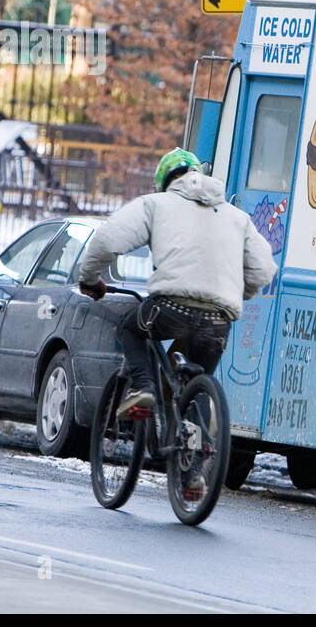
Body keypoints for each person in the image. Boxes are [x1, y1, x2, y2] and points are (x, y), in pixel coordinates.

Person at [76, 148, 277, 427]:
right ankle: (197, 453)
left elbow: (108, 240)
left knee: (130, 329)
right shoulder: (237, 216)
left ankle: (142, 387)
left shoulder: (155, 204)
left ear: (164, 180)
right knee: (195, 387)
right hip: (219, 318)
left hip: (169, 308)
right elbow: (264, 269)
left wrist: (89, 279)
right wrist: (233, 294)